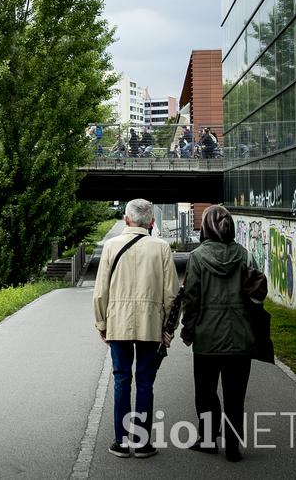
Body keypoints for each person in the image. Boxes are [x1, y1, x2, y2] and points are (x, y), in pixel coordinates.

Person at [93, 198, 178, 458]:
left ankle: (121, 441)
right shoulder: (162, 248)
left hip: (117, 323)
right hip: (150, 325)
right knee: (144, 382)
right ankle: (142, 443)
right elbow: (171, 295)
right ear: (152, 222)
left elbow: (100, 293)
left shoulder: (110, 247)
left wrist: (102, 324)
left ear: (126, 220)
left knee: (121, 380)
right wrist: (167, 329)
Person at [180, 205, 259, 463]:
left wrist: (188, 330)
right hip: (240, 338)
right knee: (235, 395)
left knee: (206, 392)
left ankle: (207, 439)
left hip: (207, 338)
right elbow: (257, 294)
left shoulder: (198, 257)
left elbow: (191, 299)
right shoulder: (245, 256)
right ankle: (233, 446)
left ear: (205, 228)